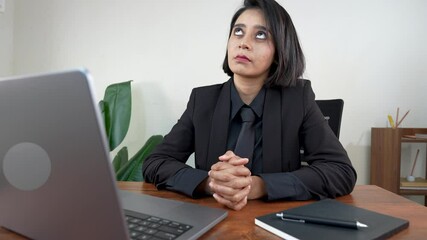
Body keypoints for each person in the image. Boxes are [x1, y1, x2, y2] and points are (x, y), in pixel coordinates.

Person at [142, 0, 356, 211]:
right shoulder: (203, 100)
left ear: (279, 51)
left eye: (260, 34)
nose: (243, 43)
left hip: (277, 222)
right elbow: (155, 162)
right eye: (238, 32)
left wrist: (258, 186)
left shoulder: (297, 99)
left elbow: (341, 171)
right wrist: (211, 184)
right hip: (214, 221)